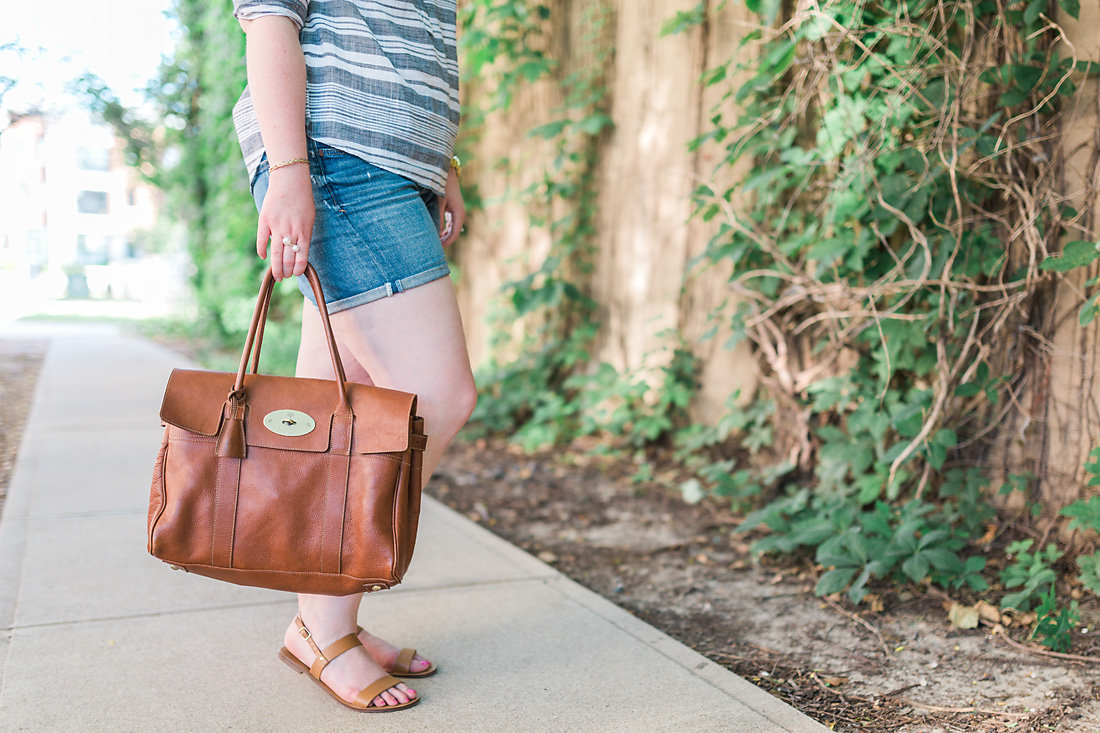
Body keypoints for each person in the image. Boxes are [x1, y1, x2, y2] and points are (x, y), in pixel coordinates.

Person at [231, 0, 477, 713]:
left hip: (387, 166)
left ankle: (329, 620)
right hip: (339, 159)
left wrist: (442, 163)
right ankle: (322, 622)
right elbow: (270, 20)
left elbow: (415, 43)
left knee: (346, 411)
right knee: (436, 393)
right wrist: (289, 169)